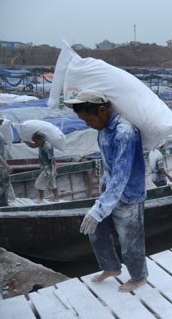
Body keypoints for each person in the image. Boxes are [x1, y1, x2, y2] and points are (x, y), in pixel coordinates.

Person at [64, 90, 148, 293]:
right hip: (110, 193)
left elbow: (122, 175)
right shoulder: (103, 130)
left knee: (130, 241)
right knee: (96, 232)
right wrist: (103, 185)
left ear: (102, 111)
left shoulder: (124, 132)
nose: (87, 124)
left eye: (88, 119)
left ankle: (139, 276)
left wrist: (99, 209)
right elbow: (109, 165)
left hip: (128, 195)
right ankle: (111, 267)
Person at [24, 132, 59, 202]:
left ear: (42, 139)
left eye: (36, 141)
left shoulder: (48, 147)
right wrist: (26, 142)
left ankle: (41, 199)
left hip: (48, 169)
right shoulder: (40, 144)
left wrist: (54, 170)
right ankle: (56, 197)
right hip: (46, 168)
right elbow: (33, 146)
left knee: (39, 183)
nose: (35, 143)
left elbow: (52, 160)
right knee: (52, 183)